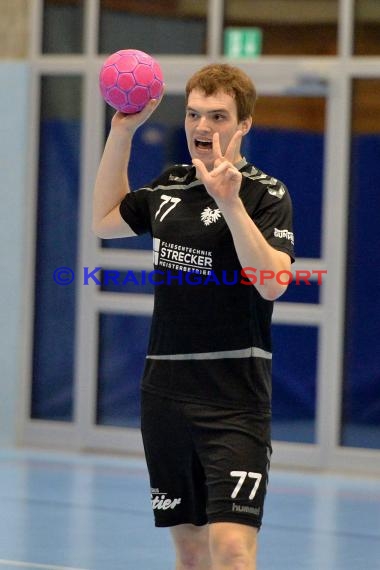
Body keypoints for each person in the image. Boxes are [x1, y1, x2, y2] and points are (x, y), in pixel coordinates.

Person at [92, 63, 295, 570]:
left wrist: (229, 203)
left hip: (234, 398)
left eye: (218, 116)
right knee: (190, 552)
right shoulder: (171, 186)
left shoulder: (266, 194)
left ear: (244, 124)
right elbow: (104, 220)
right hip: (165, 393)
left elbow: (271, 282)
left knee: (229, 548)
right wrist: (122, 131)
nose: (202, 127)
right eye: (193, 114)